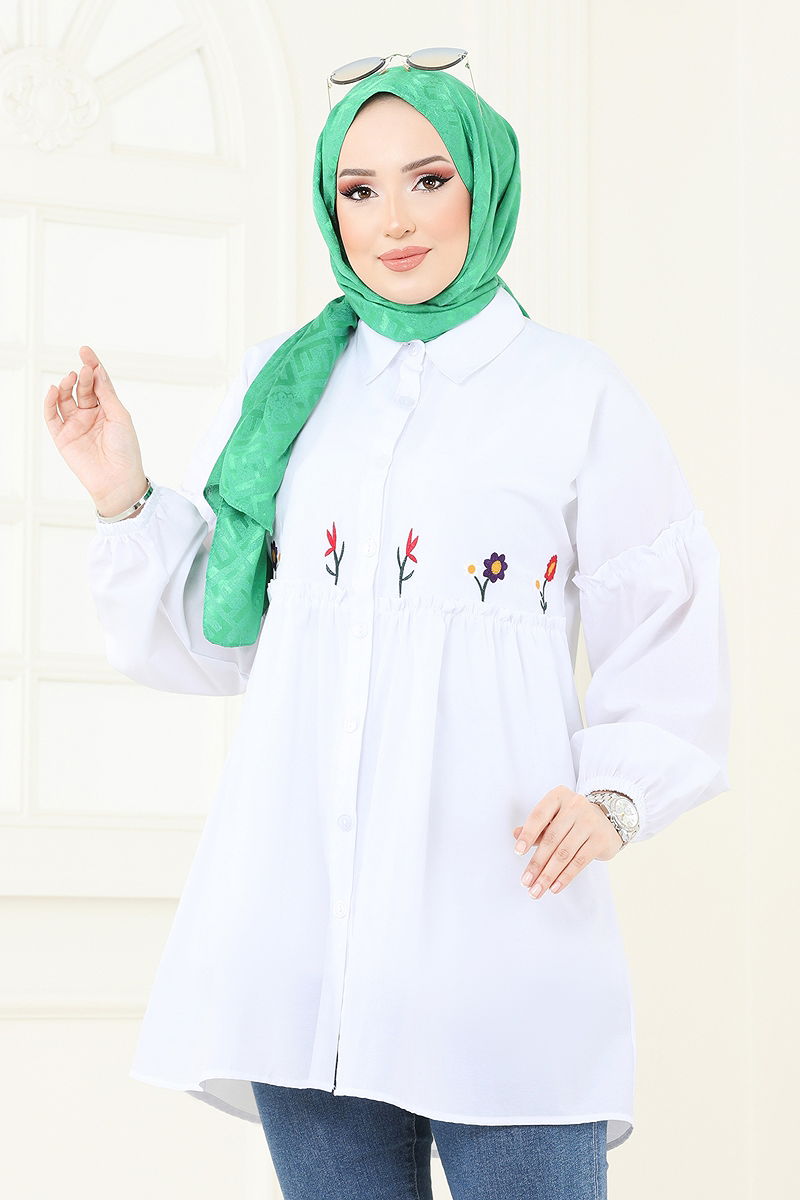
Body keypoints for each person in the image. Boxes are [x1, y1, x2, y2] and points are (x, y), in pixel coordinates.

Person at [43, 59, 731, 1200]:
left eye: (427, 179)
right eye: (358, 191)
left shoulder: (574, 395)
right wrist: (120, 491)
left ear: (485, 186)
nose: (394, 221)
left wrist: (616, 794)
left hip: (498, 940)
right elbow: (224, 640)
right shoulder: (291, 388)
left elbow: (663, 619)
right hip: (303, 945)